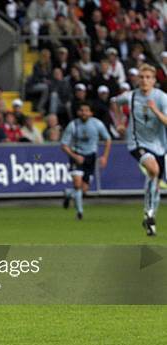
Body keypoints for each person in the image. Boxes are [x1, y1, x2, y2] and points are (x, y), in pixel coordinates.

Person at [111, 64, 167, 235]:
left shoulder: (162, 97)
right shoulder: (131, 96)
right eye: (141, 77)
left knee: (155, 183)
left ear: (154, 80)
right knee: (153, 169)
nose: (144, 80)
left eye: (148, 77)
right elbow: (114, 102)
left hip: (159, 145)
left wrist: (155, 110)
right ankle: (149, 213)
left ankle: (150, 219)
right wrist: (119, 122)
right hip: (137, 143)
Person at [61, 102, 112, 220]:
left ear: (91, 113)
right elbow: (64, 145)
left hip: (90, 157)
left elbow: (108, 139)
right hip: (77, 156)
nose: (84, 113)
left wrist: (105, 156)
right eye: (82, 110)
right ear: (78, 112)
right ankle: (79, 213)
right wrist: (74, 156)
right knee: (78, 185)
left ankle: (68, 194)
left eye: (86, 110)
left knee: (84, 189)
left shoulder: (97, 124)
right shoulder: (73, 125)